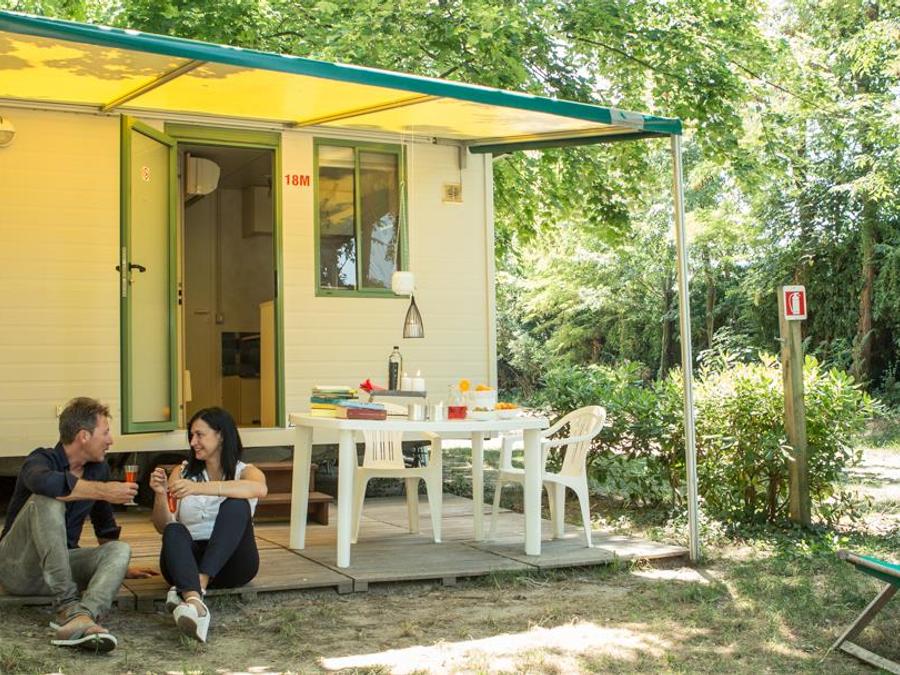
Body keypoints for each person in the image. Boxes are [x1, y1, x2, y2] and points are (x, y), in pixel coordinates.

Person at [0, 397, 156, 652]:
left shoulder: (98, 470)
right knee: (48, 499)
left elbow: (105, 526)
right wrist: (104, 490)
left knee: (120, 549)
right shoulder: (40, 460)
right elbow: (45, 484)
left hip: (62, 566)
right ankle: (68, 607)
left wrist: (115, 566)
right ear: (84, 436)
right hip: (18, 569)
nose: (111, 440)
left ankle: (84, 616)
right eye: (105, 432)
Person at [150, 407, 267, 643]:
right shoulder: (181, 472)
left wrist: (197, 488)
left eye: (200, 435)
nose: (193, 442)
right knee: (174, 529)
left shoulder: (246, 472)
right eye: (191, 435)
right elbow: (163, 526)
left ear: (221, 435)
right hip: (186, 562)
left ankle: (197, 585)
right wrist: (161, 495)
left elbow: (259, 489)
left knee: (237, 505)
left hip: (232, 564)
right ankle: (195, 603)